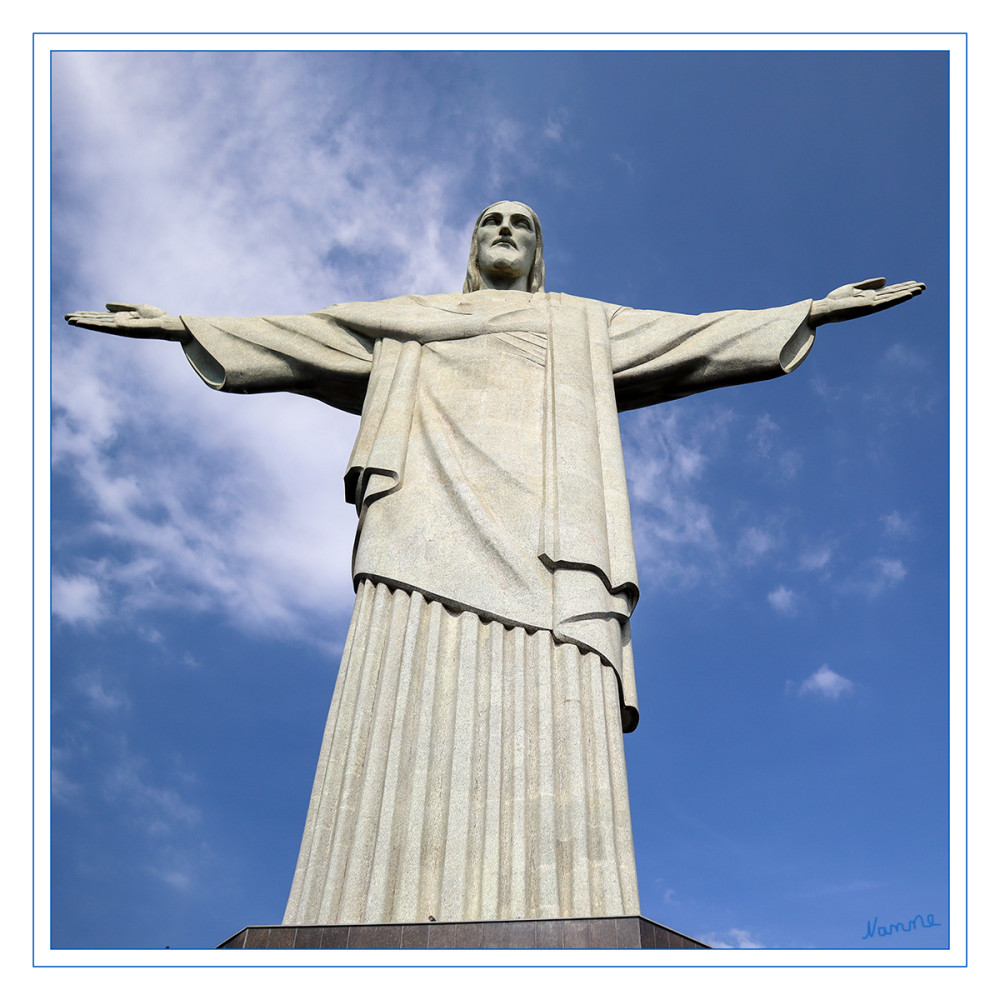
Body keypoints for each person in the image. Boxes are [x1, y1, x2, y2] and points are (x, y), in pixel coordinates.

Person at [66, 200, 924, 927]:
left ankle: (564, 908)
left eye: (522, 222)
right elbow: (302, 337)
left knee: (551, 698)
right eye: (491, 220)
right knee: (401, 693)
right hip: (420, 534)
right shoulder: (407, 320)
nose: (506, 228)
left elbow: (692, 341)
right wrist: (187, 325)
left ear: (538, 254)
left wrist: (804, 313)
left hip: (552, 544)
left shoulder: (583, 325)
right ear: (472, 249)